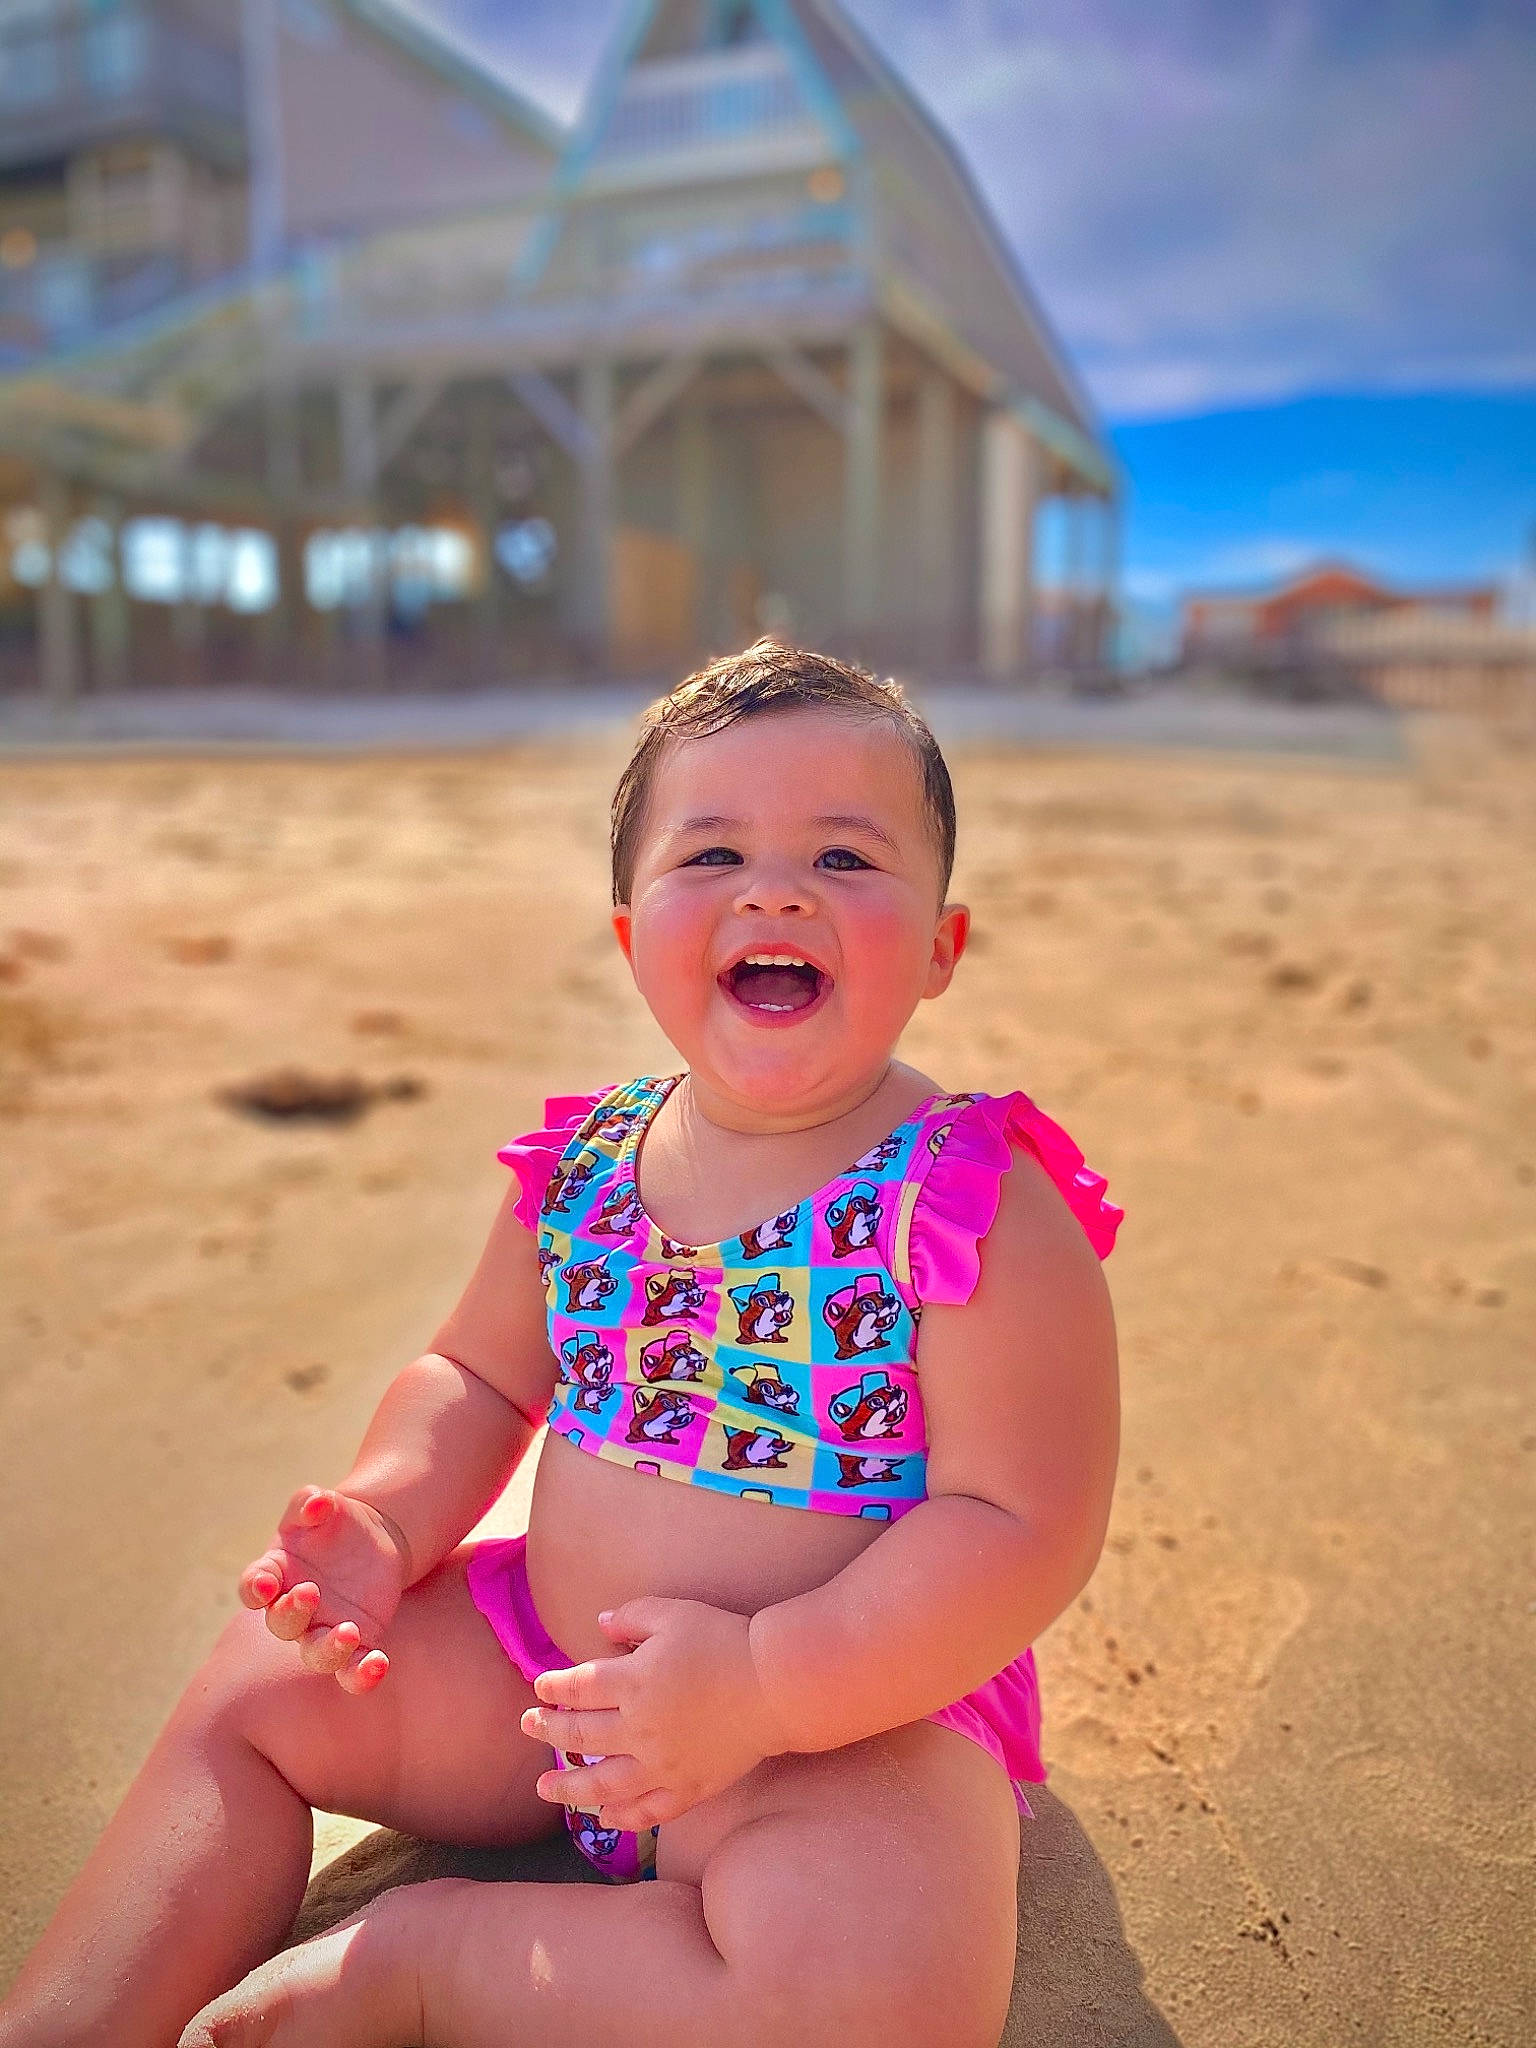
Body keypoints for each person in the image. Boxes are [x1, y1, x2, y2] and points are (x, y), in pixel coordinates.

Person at [0, 642, 1121, 2048]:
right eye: (711, 855)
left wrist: (770, 1684)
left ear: (943, 947)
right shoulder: (583, 1165)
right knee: (256, 1691)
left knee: (880, 1999)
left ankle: (428, 1963)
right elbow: (474, 1377)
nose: (775, 891)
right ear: (629, 933)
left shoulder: (968, 1196)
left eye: (844, 857)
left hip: (841, 1731)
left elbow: (1023, 1524)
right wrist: (386, 1523)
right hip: (544, 1674)